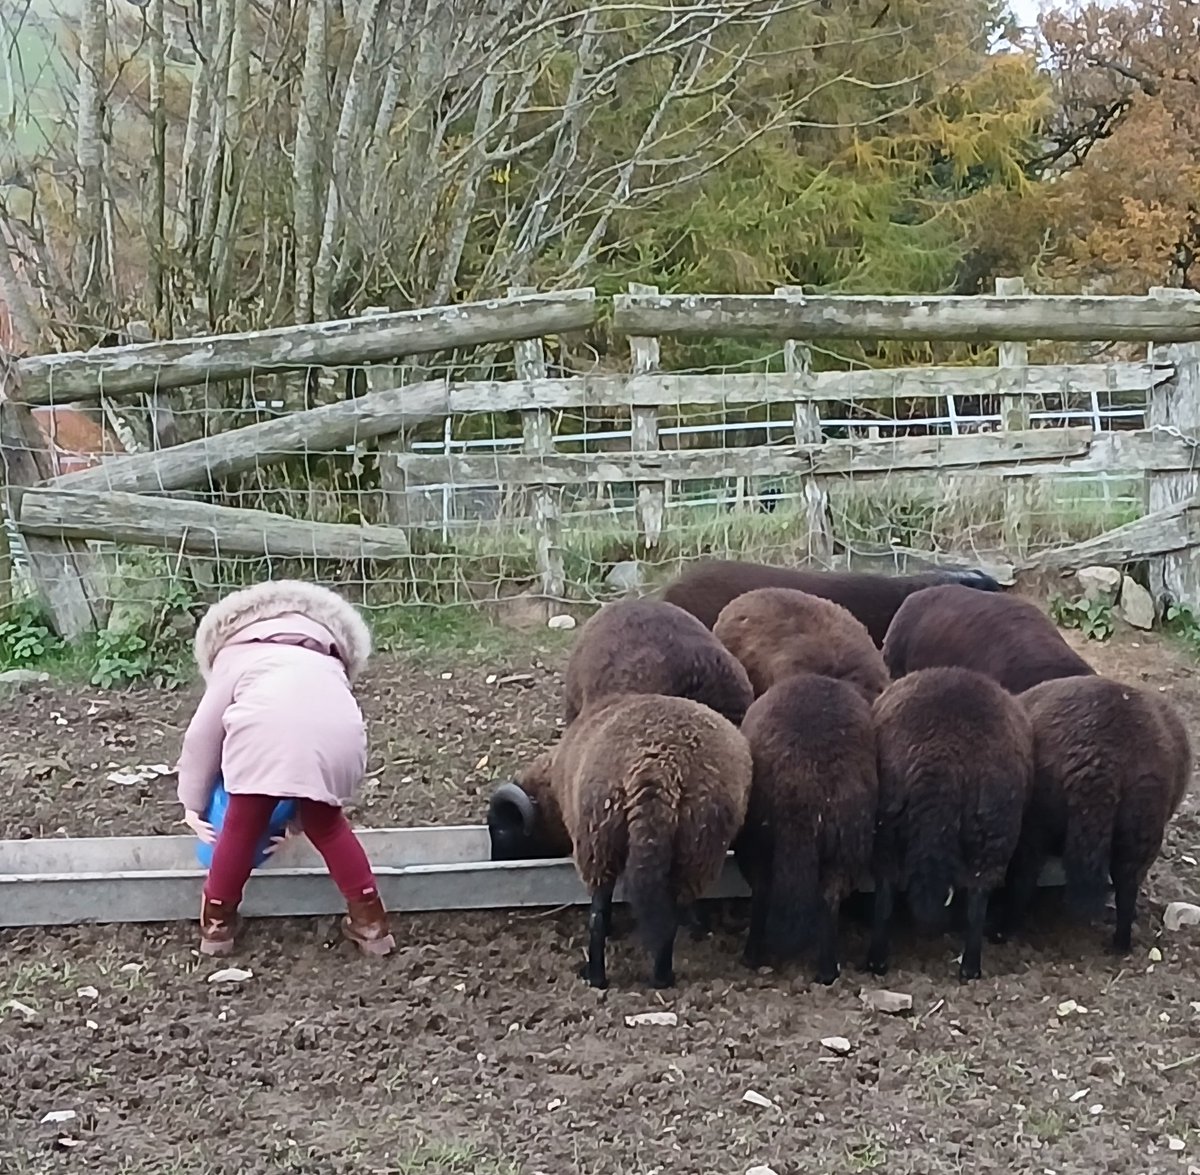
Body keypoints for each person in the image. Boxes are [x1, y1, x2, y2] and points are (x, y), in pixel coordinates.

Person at [176, 578, 394, 958]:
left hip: (261, 734)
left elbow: (202, 737)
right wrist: (298, 819)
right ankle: (371, 923)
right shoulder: (328, 660)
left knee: (242, 824)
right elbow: (306, 748)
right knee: (327, 824)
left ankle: (217, 924)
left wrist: (192, 803)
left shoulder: (236, 653)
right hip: (340, 738)